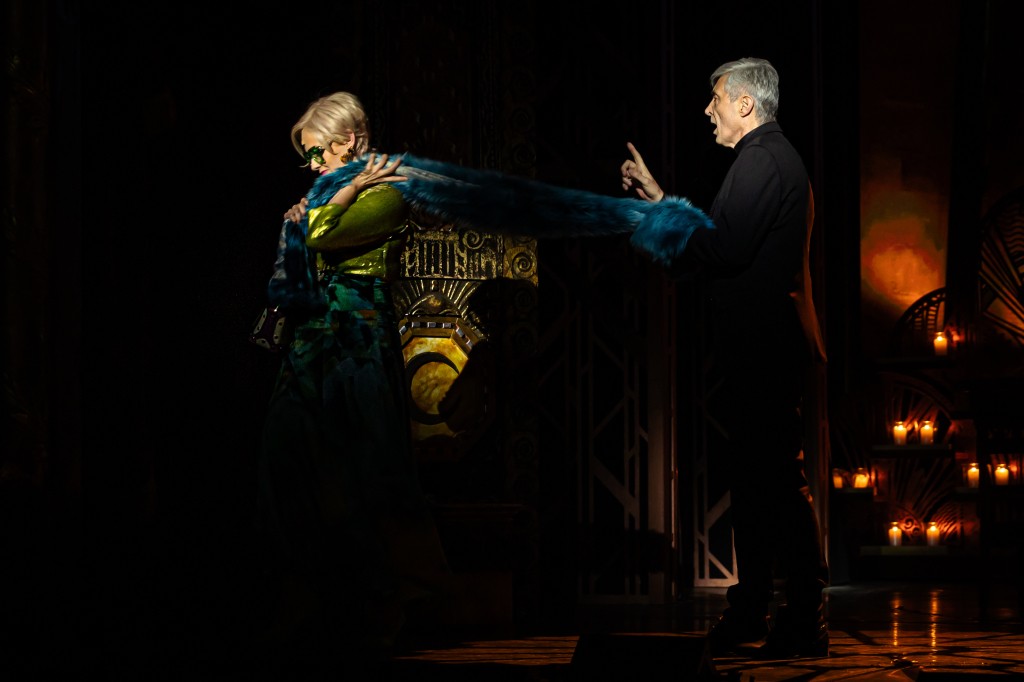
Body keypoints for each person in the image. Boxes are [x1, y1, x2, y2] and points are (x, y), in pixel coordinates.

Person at [621, 57, 830, 659]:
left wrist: (661, 215)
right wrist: (661, 201)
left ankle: (801, 614)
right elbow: (725, 241)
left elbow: (723, 247)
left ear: (744, 104)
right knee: (758, 484)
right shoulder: (765, 159)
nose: (707, 110)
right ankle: (755, 609)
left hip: (766, 349)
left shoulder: (763, 158)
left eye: (715, 99)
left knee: (773, 482)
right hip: (760, 347)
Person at [255, 91, 451, 672]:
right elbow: (299, 254)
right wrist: (302, 220)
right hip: (311, 342)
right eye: (308, 157)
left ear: (351, 142)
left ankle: (381, 608)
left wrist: (321, 208)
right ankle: (303, 599)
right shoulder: (326, 193)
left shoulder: (389, 189)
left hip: (358, 342)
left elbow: (321, 234)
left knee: (367, 470)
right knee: (284, 458)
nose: (312, 165)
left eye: (319, 152)